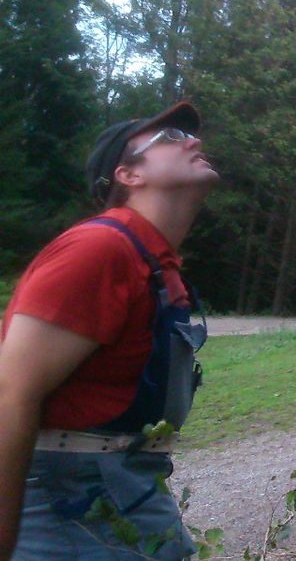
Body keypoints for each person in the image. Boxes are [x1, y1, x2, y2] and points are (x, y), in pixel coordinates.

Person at [0, 101, 219, 559]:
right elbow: (9, 394)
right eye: (171, 138)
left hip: (123, 485)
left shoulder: (152, 261)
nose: (194, 141)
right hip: (67, 500)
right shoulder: (99, 248)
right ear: (128, 174)